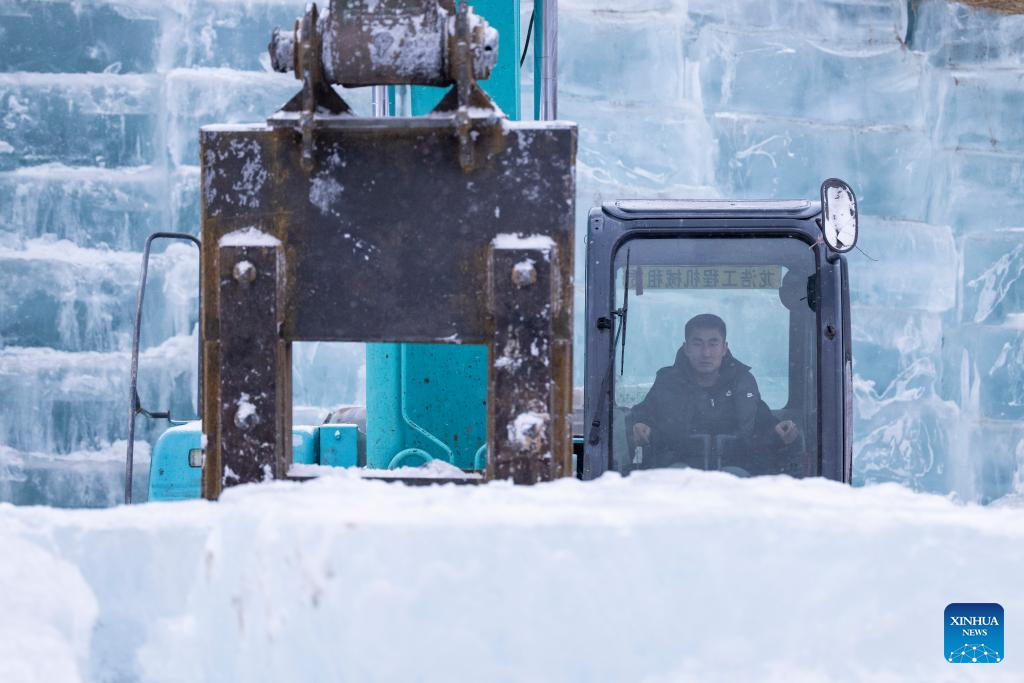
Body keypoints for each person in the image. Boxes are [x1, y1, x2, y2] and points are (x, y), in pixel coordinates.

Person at [628, 313, 799, 472]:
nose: (706, 353)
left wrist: (779, 431)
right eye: (697, 344)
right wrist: (640, 427)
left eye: (713, 343)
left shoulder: (743, 382)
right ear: (686, 348)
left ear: (724, 348)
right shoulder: (668, 382)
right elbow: (644, 416)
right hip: (678, 474)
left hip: (737, 475)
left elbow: (761, 423)